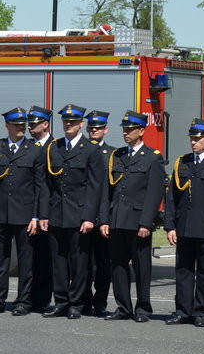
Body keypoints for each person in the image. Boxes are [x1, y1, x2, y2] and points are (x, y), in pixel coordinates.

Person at [0, 107, 47, 316]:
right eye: (16, 125)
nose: (20, 128)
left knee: (26, 263)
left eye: (22, 125)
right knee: (0, 261)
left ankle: (23, 302)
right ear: (7, 126)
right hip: (0, 214)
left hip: (25, 216)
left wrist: (36, 216)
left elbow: (40, 187)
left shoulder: (35, 149)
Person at [100, 110, 165, 323]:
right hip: (117, 219)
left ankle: (143, 308)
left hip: (138, 221)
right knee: (118, 265)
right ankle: (123, 307)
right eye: (124, 130)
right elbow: (107, 191)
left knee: (142, 267)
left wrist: (147, 222)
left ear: (141, 131)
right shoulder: (117, 156)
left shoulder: (152, 157)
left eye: (130, 130)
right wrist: (105, 220)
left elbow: (154, 193)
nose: (126, 133)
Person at [42, 105, 104, 320]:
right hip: (56, 213)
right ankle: (60, 302)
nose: (69, 125)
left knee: (78, 263)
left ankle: (77, 303)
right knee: (58, 262)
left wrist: (89, 217)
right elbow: (46, 185)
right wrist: (44, 214)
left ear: (81, 124)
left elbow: (96, 187)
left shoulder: (91, 150)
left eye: (73, 122)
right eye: (66, 122)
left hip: (78, 215)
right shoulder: (54, 147)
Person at [165, 119, 204, 327]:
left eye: (198, 138)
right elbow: (172, 197)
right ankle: (183, 310)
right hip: (184, 226)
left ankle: (203, 311)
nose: (194, 142)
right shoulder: (182, 162)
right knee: (183, 271)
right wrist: (170, 226)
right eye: (192, 138)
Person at [82, 110, 114, 317]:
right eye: (91, 128)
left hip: (103, 217)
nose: (94, 130)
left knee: (103, 263)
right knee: (81, 263)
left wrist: (105, 218)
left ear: (105, 130)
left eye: (98, 128)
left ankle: (100, 301)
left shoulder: (113, 154)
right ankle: (84, 301)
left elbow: (109, 190)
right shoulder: (81, 150)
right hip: (83, 215)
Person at [27, 105, 54, 313]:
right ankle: (29, 298)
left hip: (47, 211)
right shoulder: (27, 146)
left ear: (46, 124)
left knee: (46, 258)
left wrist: (42, 213)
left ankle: (43, 299)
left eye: (34, 124)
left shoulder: (55, 147)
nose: (30, 127)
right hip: (27, 212)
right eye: (29, 124)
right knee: (29, 259)